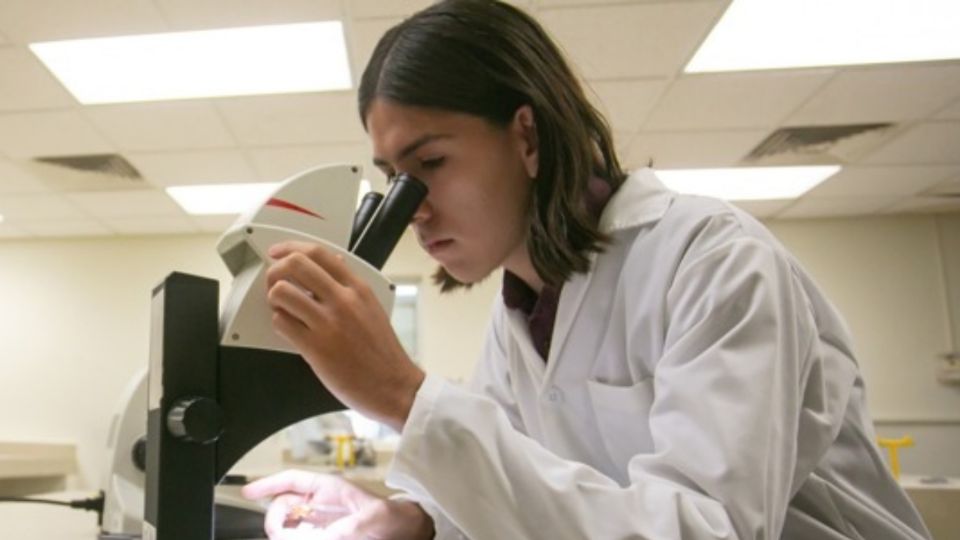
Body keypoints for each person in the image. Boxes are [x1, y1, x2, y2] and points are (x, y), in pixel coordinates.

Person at [241, 1, 931, 538]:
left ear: (527, 135)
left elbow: (704, 530)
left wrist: (400, 393)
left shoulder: (714, 261)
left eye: (431, 164)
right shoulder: (520, 316)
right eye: (394, 179)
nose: (412, 208)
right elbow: (542, 496)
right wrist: (411, 518)